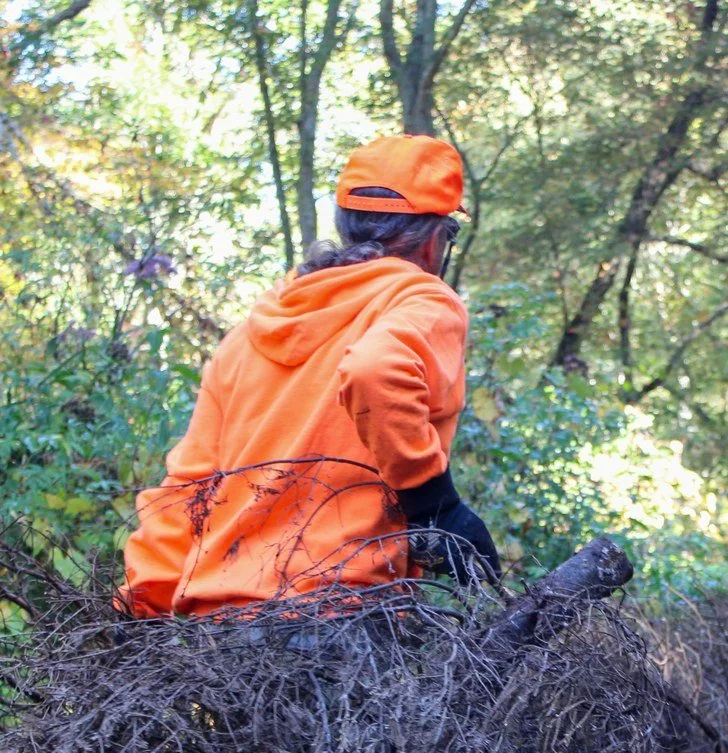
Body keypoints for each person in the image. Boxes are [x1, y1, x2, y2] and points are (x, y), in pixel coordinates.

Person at [120, 134, 498, 618]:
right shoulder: (422, 300)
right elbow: (375, 369)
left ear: (346, 226)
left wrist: (140, 608)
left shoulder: (253, 331)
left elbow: (186, 488)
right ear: (434, 238)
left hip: (218, 621)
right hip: (341, 613)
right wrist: (433, 503)